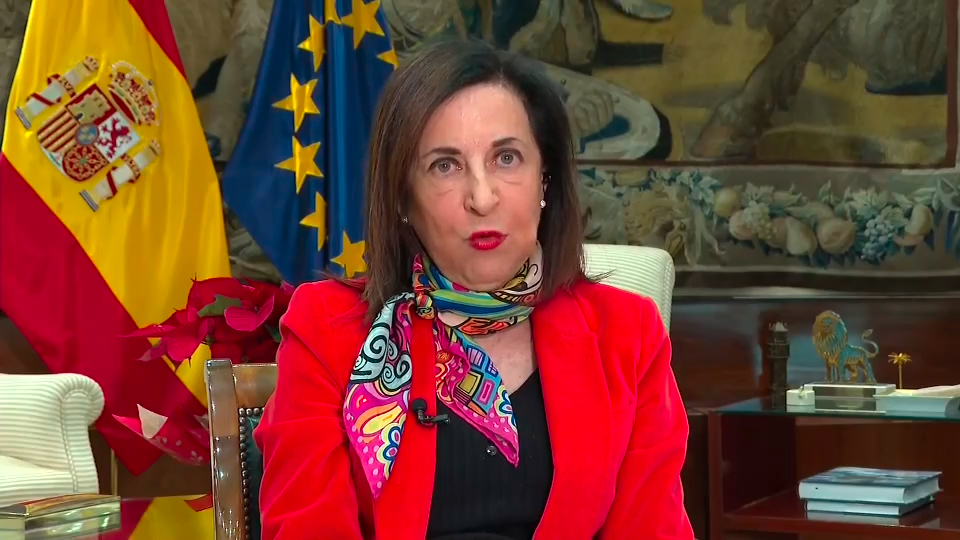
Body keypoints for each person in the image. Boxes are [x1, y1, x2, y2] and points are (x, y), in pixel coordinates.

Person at [254, 38, 694, 540]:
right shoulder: (326, 329)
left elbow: (651, 527)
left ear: (545, 180)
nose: (482, 198)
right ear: (403, 197)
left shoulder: (626, 333)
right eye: (446, 165)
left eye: (506, 158)